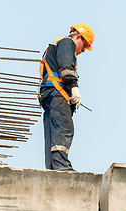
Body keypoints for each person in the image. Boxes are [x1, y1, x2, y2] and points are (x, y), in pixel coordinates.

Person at [38, 24, 94, 171]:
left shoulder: (54, 45)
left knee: (53, 131)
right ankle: (61, 166)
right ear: (78, 37)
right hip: (57, 94)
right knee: (64, 127)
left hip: (49, 95)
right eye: (83, 46)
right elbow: (66, 66)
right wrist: (74, 87)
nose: (82, 51)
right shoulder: (67, 42)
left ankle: (52, 167)